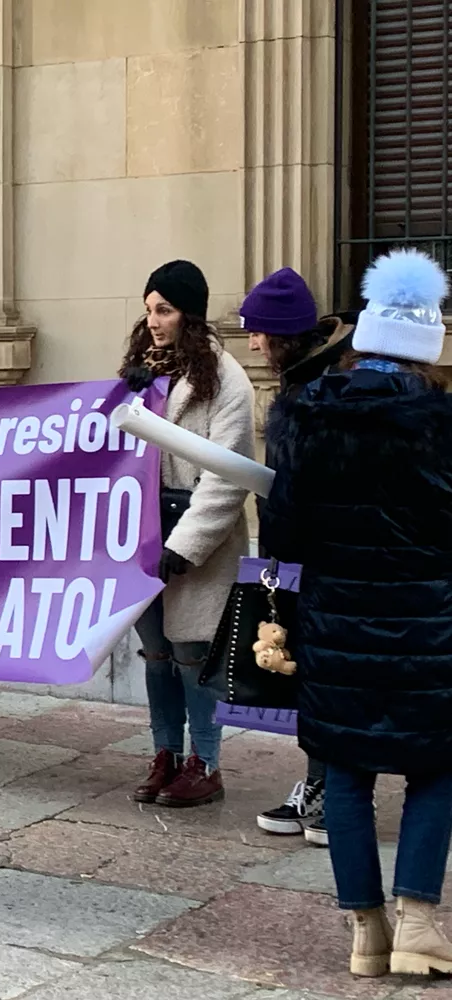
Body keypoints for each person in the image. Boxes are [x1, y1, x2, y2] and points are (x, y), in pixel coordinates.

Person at [261, 248, 452, 979]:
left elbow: (280, 534)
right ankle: (420, 924)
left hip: (336, 622)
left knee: (344, 771)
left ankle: (366, 936)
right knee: (435, 769)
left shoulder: (304, 415)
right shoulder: (440, 426)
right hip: (429, 628)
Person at [121, 260, 253, 808]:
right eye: (149, 309)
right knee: (155, 649)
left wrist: (188, 543)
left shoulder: (226, 380)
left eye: (165, 310)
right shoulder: (141, 374)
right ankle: (165, 754)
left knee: (193, 649)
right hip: (145, 522)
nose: (153, 321)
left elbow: (229, 472)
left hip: (196, 526)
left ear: (189, 314)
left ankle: (206, 762)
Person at [242, 268, 344, 847]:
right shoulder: (301, 384)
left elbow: (311, 485)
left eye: (258, 332)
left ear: (282, 334)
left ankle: (336, 790)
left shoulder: (319, 392)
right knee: (308, 678)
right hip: (306, 557)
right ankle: (318, 782)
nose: (253, 342)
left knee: (328, 681)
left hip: (328, 560)